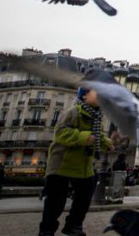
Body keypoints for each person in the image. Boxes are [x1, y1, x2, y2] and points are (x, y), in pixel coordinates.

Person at [39, 88, 113, 236]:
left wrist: (107, 143)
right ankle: (47, 230)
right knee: (56, 202)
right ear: (84, 96)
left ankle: (73, 225)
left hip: (83, 165)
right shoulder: (73, 112)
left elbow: (96, 135)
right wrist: (83, 138)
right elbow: (60, 133)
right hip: (62, 163)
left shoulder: (96, 116)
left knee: (84, 198)